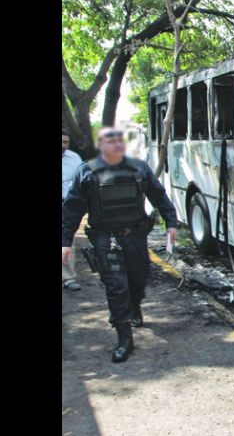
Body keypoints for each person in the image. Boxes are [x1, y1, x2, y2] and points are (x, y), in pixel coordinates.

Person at [62, 127, 178, 363]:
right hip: (106, 239)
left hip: (135, 237)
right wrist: (65, 242)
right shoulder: (86, 172)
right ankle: (125, 339)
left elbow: (159, 195)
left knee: (138, 279)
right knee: (116, 287)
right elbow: (72, 211)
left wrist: (171, 223)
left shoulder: (139, 168)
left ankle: (135, 308)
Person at [62, 128, 84, 292]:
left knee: (66, 239)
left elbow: (81, 181)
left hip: (67, 204)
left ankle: (68, 278)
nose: (63, 145)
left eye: (65, 142)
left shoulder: (74, 158)